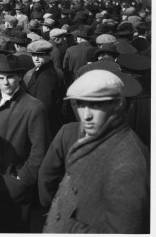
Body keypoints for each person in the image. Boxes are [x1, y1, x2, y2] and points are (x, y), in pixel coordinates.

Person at [41, 70, 149, 233]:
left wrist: (67, 225)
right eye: (80, 104)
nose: (86, 116)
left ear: (118, 104)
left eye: (96, 105)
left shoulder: (127, 162)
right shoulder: (98, 137)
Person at [0, 54, 51, 233]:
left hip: (15, 189)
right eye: (1, 78)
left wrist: (21, 179)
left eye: (10, 77)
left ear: (19, 76)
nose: (6, 82)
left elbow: (40, 152)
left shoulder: (34, 107)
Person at [24, 40, 62, 137]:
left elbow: (44, 105)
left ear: (48, 55)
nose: (36, 58)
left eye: (39, 55)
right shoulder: (41, 70)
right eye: (33, 55)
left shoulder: (46, 76)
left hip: (41, 126)